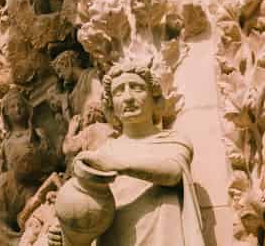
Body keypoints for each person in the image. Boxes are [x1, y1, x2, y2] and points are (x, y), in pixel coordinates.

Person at [51, 57, 205, 246]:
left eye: (137, 88)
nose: (128, 97)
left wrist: (117, 164)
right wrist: (69, 233)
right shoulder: (105, 151)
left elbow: (173, 173)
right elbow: (90, 215)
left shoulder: (172, 141)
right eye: (118, 92)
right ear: (111, 107)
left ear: (154, 99)